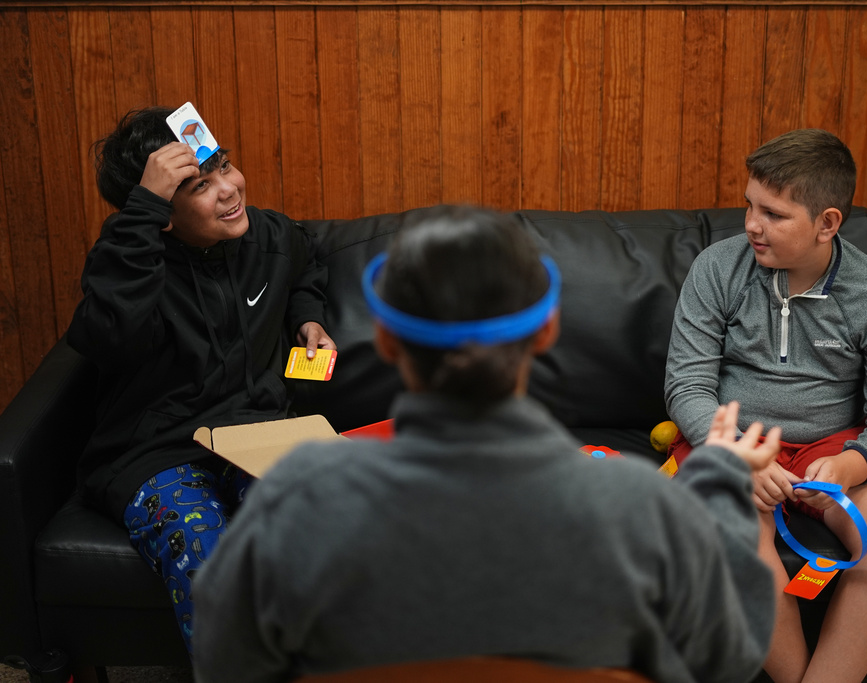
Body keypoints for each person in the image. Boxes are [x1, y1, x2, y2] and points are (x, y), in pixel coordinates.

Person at [192, 205, 779, 683]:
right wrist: (721, 490)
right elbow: (728, 655)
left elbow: (226, 662)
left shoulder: (298, 497)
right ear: (546, 331)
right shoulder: (641, 506)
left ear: (388, 341)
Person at [664, 129, 867, 683]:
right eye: (749, 206)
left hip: (833, 446)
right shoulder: (718, 269)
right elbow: (687, 387)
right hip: (732, 439)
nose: (751, 225)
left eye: (774, 214)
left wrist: (853, 464)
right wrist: (734, 454)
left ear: (827, 223)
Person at [67, 106, 336, 654]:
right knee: (210, 562)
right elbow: (109, 340)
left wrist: (306, 315)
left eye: (226, 167)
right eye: (199, 186)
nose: (230, 190)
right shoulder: (128, 262)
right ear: (162, 211)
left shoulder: (267, 235)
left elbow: (307, 260)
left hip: (259, 433)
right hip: (157, 453)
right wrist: (141, 214)